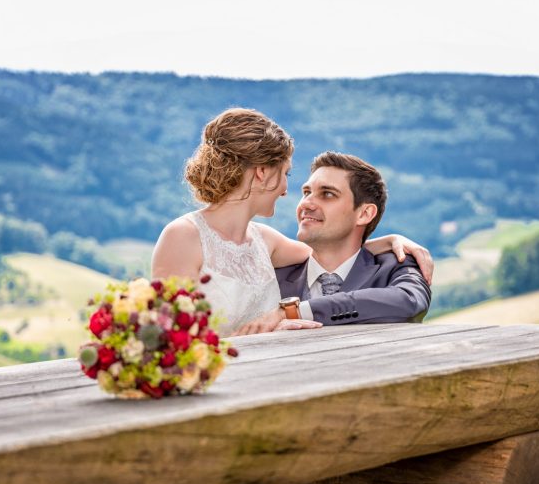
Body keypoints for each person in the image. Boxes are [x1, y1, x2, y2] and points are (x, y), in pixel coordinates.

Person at [152, 108, 433, 336]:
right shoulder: (183, 236)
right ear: (262, 172)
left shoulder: (267, 241)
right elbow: (169, 339)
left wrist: (389, 240)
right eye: (286, 173)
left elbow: (334, 254)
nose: (287, 190)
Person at [234, 152, 431, 335]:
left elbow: (410, 302)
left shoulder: (396, 266)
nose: (307, 203)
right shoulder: (272, 279)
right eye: (306, 192)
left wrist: (296, 312)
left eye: (327, 194)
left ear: (364, 214)